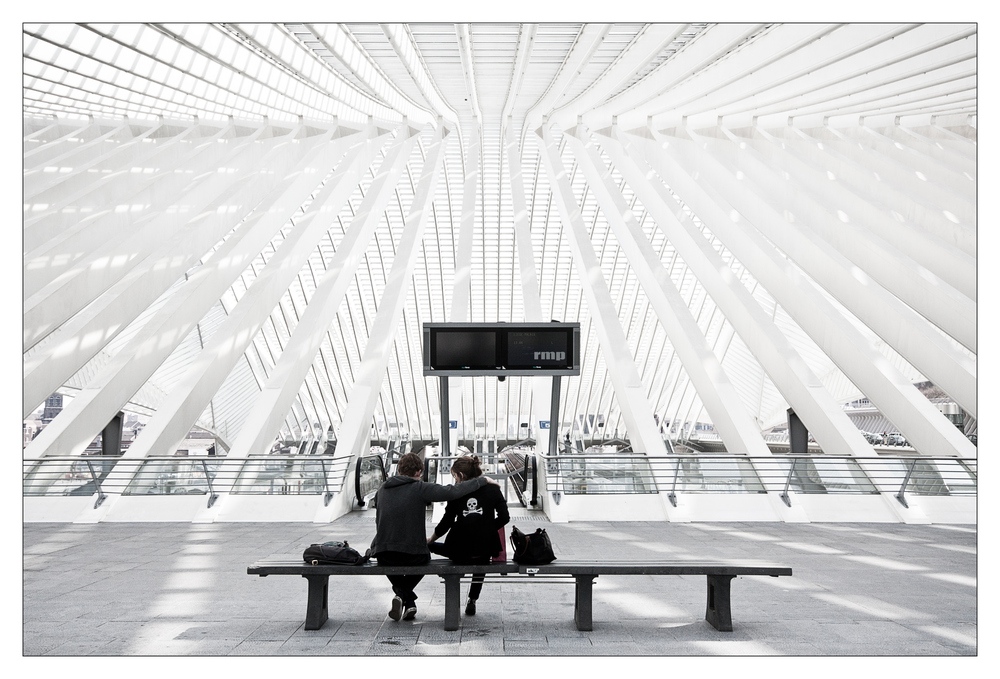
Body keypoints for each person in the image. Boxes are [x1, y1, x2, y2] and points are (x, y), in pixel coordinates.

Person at [370, 451, 498, 622]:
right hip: (412, 555)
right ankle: (405, 596)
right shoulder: (419, 488)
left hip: (384, 554)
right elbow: (451, 492)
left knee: (387, 560)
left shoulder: (382, 490)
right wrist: (481, 480)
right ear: (419, 472)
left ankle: (407, 601)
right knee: (424, 558)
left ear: (399, 470)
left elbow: (379, 521)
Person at [427, 455, 510, 616]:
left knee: (440, 548)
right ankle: (472, 599)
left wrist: (431, 539)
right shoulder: (493, 490)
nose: (455, 480)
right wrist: (488, 528)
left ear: (461, 476)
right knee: (481, 560)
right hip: (485, 549)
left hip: (459, 551)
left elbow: (447, 522)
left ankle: (427, 546)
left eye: (455, 476)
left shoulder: (457, 493)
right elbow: (505, 517)